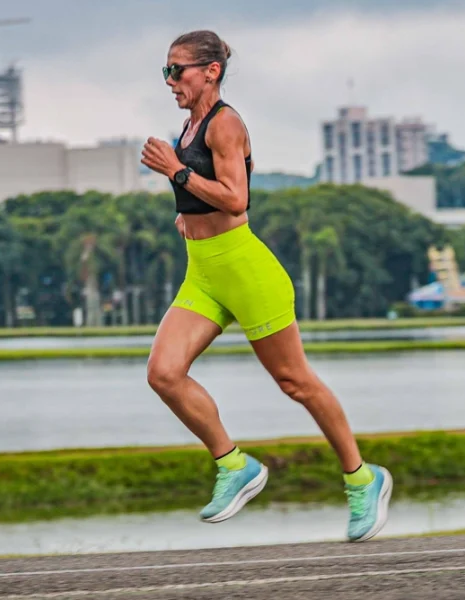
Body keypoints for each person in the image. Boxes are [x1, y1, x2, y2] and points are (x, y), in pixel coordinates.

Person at [140, 30, 392, 543]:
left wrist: (176, 173)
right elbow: (205, 200)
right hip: (204, 273)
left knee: (295, 381)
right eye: (165, 71)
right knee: (164, 374)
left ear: (210, 71)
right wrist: (186, 216)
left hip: (246, 269)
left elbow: (236, 199)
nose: (170, 81)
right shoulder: (187, 129)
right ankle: (234, 466)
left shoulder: (225, 124)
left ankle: (364, 479)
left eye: (178, 70)